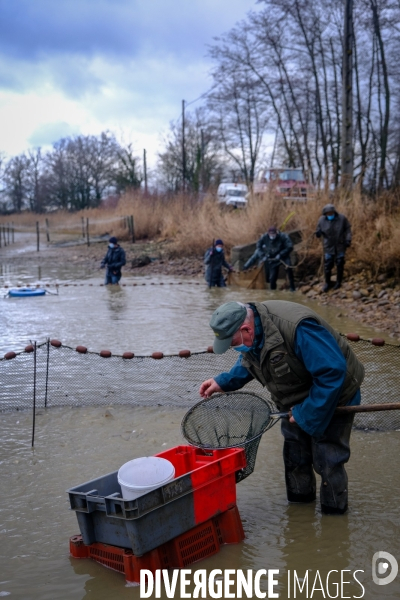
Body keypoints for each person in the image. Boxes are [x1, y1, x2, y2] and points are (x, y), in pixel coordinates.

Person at [199, 300, 365, 515]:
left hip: (335, 394)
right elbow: (251, 356)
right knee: (295, 454)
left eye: (232, 343)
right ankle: (299, 509)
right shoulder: (252, 331)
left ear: (246, 329)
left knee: (328, 458)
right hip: (293, 397)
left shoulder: (299, 328)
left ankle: (334, 515)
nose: (234, 348)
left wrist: (307, 413)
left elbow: (332, 373)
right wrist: (224, 381)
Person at [243, 227, 295, 291]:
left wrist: (281, 254)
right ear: (268, 233)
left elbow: (290, 246)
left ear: (277, 233)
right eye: (271, 235)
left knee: (289, 269)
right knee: (272, 278)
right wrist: (263, 256)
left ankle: (292, 288)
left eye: (273, 234)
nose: (272, 236)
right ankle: (273, 292)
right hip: (272, 259)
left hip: (283, 256)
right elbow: (258, 246)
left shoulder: (283, 236)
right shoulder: (264, 237)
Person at [315, 204, 352, 292]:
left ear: (334, 212)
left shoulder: (342, 218)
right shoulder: (321, 220)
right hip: (328, 246)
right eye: (328, 213)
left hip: (340, 245)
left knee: (340, 263)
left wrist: (348, 240)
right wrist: (318, 233)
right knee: (328, 265)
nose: (330, 214)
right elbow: (318, 231)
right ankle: (327, 282)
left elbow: (348, 229)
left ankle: (338, 282)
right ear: (325, 214)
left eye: (331, 213)